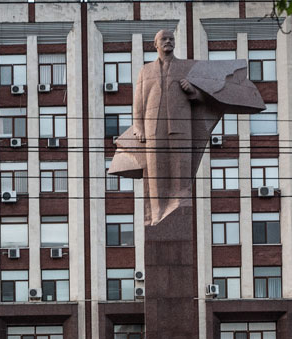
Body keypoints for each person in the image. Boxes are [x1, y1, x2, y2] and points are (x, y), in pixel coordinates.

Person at [109, 29, 264, 225]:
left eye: (171, 39)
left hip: (181, 124)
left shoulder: (187, 67)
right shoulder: (145, 70)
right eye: (164, 39)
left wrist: (193, 92)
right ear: (155, 44)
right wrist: (138, 126)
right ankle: (157, 213)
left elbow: (205, 97)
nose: (168, 42)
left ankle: (179, 202)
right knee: (155, 171)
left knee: (181, 166)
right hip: (152, 126)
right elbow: (138, 101)